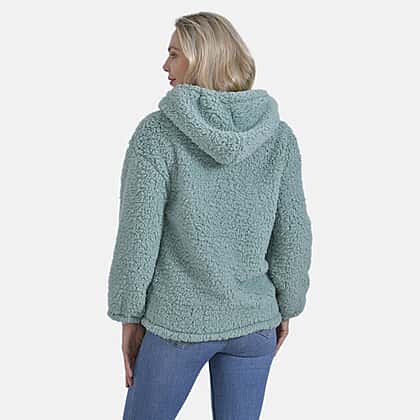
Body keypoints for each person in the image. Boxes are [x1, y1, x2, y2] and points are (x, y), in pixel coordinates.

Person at [107, 11, 312, 420]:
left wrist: (128, 316)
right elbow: (293, 234)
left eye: (174, 54)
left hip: (178, 323)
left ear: (202, 59)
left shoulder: (157, 134)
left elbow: (137, 239)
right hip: (254, 323)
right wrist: (287, 305)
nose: (165, 65)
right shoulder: (278, 137)